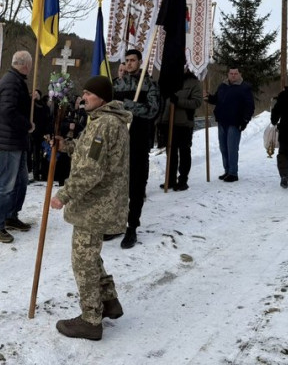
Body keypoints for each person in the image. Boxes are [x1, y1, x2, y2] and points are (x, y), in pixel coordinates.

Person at [50, 75, 132, 341]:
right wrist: (66, 145)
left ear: (102, 97)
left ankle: (90, 319)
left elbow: (91, 169)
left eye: (88, 93)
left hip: (96, 204)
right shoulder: (102, 120)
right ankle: (108, 301)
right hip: (99, 203)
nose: (83, 97)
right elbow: (89, 153)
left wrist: (64, 194)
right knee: (90, 255)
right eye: (83, 93)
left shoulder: (105, 124)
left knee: (83, 260)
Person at [112, 48, 160, 249]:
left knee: (136, 185)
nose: (129, 63)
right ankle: (116, 224)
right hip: (118, 141)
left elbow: (152, 110)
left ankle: (132, 227)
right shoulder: (118, 84)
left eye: (133, 60)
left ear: (140, 62)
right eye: (127, 60)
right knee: (117, 184)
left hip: (139, 141)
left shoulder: (149, 85)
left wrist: (128, 105)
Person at [0, 50, 34, 243]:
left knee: (21, 181)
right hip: (10, 140)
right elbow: (8, 111)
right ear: (25, 65)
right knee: (6, 183)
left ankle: (10, 216)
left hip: (17, 140)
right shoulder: (11, 81)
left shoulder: (17, 80)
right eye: (30, 65)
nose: (30, 69)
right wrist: (27, 124)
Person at [205, 66, 254, 183]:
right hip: (222, 121)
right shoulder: (223, 86)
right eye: (231, 73)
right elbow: (216, 99)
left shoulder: (244, 88)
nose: (233, 75)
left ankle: (233, 173)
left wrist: (244, 121)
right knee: (223, 148)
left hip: (235, 123)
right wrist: (208, 97)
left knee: (232, 148)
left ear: (240, 74)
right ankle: (227, 170)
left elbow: (250, 106)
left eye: (235, 73)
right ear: (228, 74)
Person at [159, 68, 203, 191]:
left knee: (184, 151)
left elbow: (197, 102)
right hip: (168, 121)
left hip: (184, 123)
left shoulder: (193, 82)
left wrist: (178, 101)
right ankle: (170, 179)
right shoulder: (169, 80)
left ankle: (183, 180)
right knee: (170, 152)